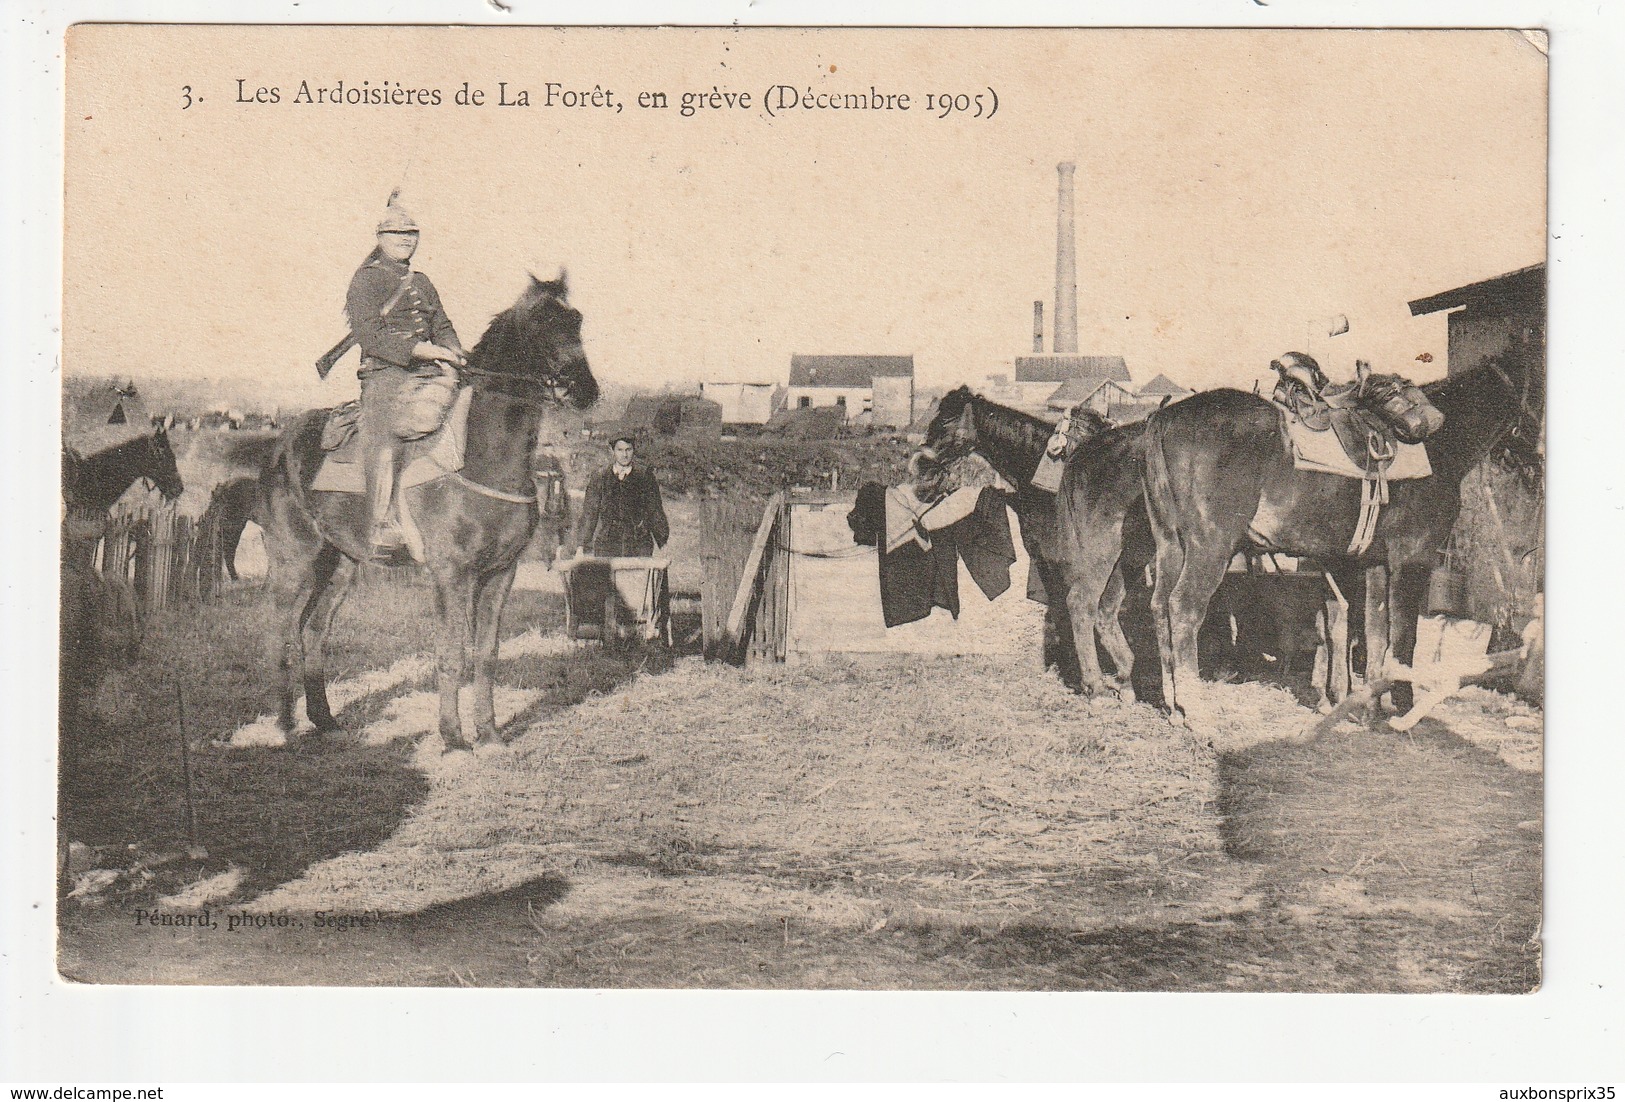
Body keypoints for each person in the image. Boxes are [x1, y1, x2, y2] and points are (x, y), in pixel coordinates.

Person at [346, 195, 466, 558]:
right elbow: (371, 336)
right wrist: (422, 351)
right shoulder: (365, 281)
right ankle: (382, 523)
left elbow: (441, 325)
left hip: (427, 371)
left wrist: (454, 352)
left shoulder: (422, 281)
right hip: (385, 372)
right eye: (397, 232)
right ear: (379, 236)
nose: (406, 238)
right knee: (387, 433)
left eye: (412, 233)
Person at [574, 435, 669, 557]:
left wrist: (663, 543)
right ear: (612, 451)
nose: (624, 455)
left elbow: (655, 510)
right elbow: (590, 511)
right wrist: (581, 546)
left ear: (633, 450)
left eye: (628, 449)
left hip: (638, 543)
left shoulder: (644, 476)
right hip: (608, 543)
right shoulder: (601, 476)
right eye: (620, 450)